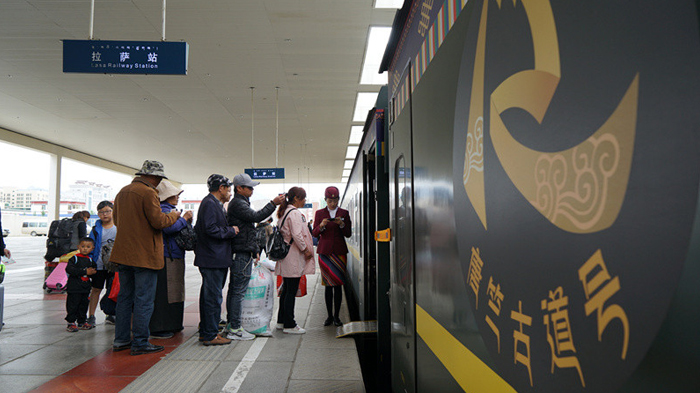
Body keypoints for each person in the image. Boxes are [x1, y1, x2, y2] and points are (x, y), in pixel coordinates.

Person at [110, 160, 181, 356]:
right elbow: (159, 222)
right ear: (153, 177)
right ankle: (140, 342)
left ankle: (121, 339)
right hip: (144, 256)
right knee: (144, 300)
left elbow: (116, 220)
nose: (159, 182)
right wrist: (175, 216)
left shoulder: (123, 192)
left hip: (123, 254)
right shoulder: (149, 193)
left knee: (125, 299)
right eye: (158, 178)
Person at [224, 173, 285, 340]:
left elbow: (248, 228)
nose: (252, 190)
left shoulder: (241, 202)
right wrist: (273, 203)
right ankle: (235, 328)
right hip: (241, 253)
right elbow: (255, 217)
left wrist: (254, 249)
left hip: (244, 250)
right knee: (238, 291)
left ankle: (232, 324)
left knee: (235, 290)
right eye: (249, 187)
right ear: (239, 188)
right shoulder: (238, 203)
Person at [195, 174, 239, 346]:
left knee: (209, 296)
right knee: (213, 298)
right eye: (228, 188)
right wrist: (231, 231)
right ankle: (210, 334)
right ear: (221, 188)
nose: (230, 192)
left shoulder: (214, 204)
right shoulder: (210, 204)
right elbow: (210, 229)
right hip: (213, 258)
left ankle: (206, 331)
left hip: (213, 258)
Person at [149, 180, 193, 338]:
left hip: (173, 255)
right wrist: (184, 219)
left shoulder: (170, 209)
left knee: (173, 292)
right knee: (166, 293)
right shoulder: (163, 210)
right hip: (167, 255)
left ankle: (172, 323)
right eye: (175, 195)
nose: (177, 197)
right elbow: (168, 228)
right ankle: (161, 326)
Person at [275, 187, 315, 334]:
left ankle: (281, 321)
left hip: (286, 256)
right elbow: (297, 235)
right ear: (297, 198)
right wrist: (306, 250)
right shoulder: (295, 213)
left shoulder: (284, 212)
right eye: (303, 198)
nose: (305, 201)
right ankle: (290, 325)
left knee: (286, 290)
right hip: (293, 256)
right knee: (291, 291)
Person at [312, 186, 352, 327]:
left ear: (338, 199)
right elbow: (314, 233)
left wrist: (342, 224)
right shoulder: (319, 213)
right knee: (328, 285)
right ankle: (329, 316)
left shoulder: (344, 213)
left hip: (339, 253)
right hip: (324, 253)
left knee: (338, 284)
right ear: (325, 200)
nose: (332, 203)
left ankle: (337, 316)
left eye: (335, 200)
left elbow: (348, 233)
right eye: (330, 201)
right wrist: (322, 225)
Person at [87, 201, 117, 326]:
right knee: (96, 289)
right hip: (99, 265)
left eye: (107, 211)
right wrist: (89, 262)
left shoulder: (119, 226)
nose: (104, 214)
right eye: (101, 212)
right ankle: (91, 315)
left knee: (113, 290)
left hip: (115, 265)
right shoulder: (95, 230)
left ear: (113, 211)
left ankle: (111, 314)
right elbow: (90, 247)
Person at [65, 237, 97, 332]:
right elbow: (69, 270)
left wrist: (93, 272)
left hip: (85, 288)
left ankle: (82, 321)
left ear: (92, 248)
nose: (85, 249)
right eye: (83, 246)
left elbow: (94, 270)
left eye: (88, 247)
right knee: (73, 304)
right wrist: (84, 271)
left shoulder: (90, 260)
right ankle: (71, 322)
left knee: (83, 305)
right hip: (74, 288)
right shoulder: (74, 258)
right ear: (78, 246)